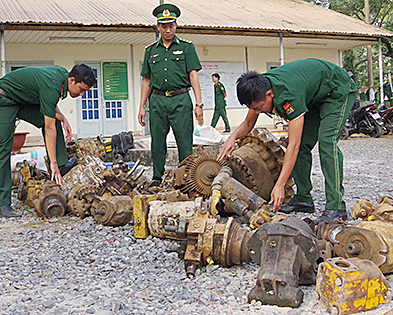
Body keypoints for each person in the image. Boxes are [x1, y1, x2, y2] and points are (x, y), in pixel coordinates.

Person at [217, 59, 357, 223]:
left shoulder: (288, 96)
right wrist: (231, 138)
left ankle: (336, 206)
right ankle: (304, 199)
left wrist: (280, 185)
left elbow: (293, 146)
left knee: (327, 142)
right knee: (304, 143)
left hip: (337, 90)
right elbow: (248, 123)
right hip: (314, 96)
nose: (257, 112)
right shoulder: (260, 89)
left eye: (258, 108)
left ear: (269, 94)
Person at [0, 64, 96, 218]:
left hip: (21, 101)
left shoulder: (62, 76)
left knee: (54, 120)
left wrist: (63, 118)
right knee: (3, 148)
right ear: (71, 80)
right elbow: (48, 127)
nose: (82, 94)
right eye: (82, 90)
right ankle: (0, 204)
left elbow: (49, 103)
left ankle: (62, 166)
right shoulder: (53, 83)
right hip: (1, 100)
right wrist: (53, 163)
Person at [138, 3, 204, 184]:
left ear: (176, 25)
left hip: (181, 100)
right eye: (164, 26)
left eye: (171, 25)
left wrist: (199, 104)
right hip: (157, 101)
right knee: (157, 143)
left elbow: (193, 76)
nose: (168, 30)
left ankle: (188, 179)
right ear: (158, 27)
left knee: (185, 142)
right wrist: (142, 106)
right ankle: (157, 178)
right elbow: (147, 80)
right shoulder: (150, 51)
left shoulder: (187, 47)